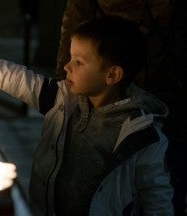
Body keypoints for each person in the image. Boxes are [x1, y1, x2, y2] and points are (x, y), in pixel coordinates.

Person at [0, 16, 174, 215]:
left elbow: (156, 195)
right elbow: (20, 80)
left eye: (78, 61)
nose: (67, 66)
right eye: (70, 57)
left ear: (112, 75)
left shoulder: (142, 135)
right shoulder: (64, 99)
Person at [56, 1, 187, 214]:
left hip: (171, 85)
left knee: (164, 179)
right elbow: (78, 13)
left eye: (76, 61)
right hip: (110, 75)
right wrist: (65, 91)